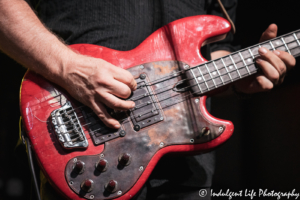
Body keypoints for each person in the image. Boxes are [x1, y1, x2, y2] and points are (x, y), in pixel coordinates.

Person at [0, 0, 296, 199]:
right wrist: (69, 67)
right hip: (82, 143)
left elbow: (205, 58)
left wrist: (240, 76)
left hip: (186, 171)